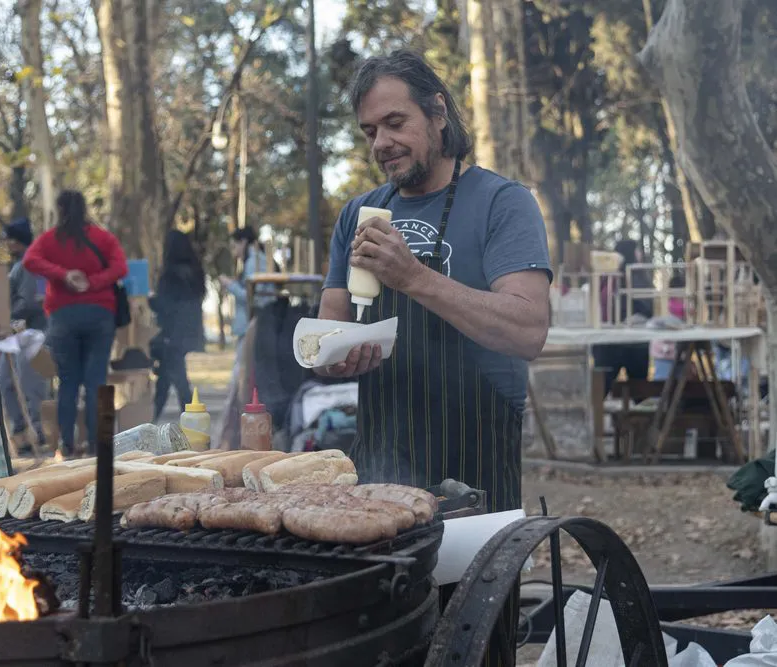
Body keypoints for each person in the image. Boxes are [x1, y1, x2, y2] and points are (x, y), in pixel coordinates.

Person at [317, 50, 551, 510]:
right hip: (380, 467)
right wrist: (335, 358)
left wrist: (412, 276)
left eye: (395, 122)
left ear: (438, 112)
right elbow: (329, 330)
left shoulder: (502, 203)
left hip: (477, 466)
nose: (381, 142)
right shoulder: (356, 215)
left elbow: (528, 330)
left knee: (472, 583)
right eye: (370, 131)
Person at [23, 190, 127, 455]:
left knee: (67, 382)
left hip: (63, 316)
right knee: (97, 382)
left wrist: (63, 275)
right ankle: (98, 443)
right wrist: (94, 283)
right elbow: (120, 268)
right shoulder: (103, 238)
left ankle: (66, 444)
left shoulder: (50, 240)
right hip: (100, 315)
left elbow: (30, 260)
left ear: (59, 209)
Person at [217, 226, 273, 449]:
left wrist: (230, 285)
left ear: (243, 242)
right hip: (247, 327)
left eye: (235, 245)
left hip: (250, 326)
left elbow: (251, 296)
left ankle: (228, 437)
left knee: (238, 381)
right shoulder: (255, 260)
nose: (234, 250)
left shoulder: (254, 261)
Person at [0, 217, 48, 452]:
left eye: (8, 239)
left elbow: (29, 301)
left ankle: (35, 431)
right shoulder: (23, 263)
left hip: (33, 333)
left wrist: (6, 316)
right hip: (20, 334)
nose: (6, 244)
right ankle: (22, 430)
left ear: (18, 241)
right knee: (6, 381)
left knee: (30, 385)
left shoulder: (28, 264)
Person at [150, 230, 206, 421]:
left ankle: (189, 419)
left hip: (170, 335)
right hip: (186, 333)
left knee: (176, 382)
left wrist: (151, 301)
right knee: (167, 379)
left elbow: (164, 306)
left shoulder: (169, 275)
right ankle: (154, 418)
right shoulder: (196, 272)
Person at [592, 239, 653, 395]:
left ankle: (596, 417)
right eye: (637, 250)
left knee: (601, 390)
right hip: (632, 343)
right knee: (639, 390)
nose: (640, 254)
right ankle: (639, 419)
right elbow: (648, 307)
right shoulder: (637, 275)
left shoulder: (605, 277)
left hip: (608, 340)